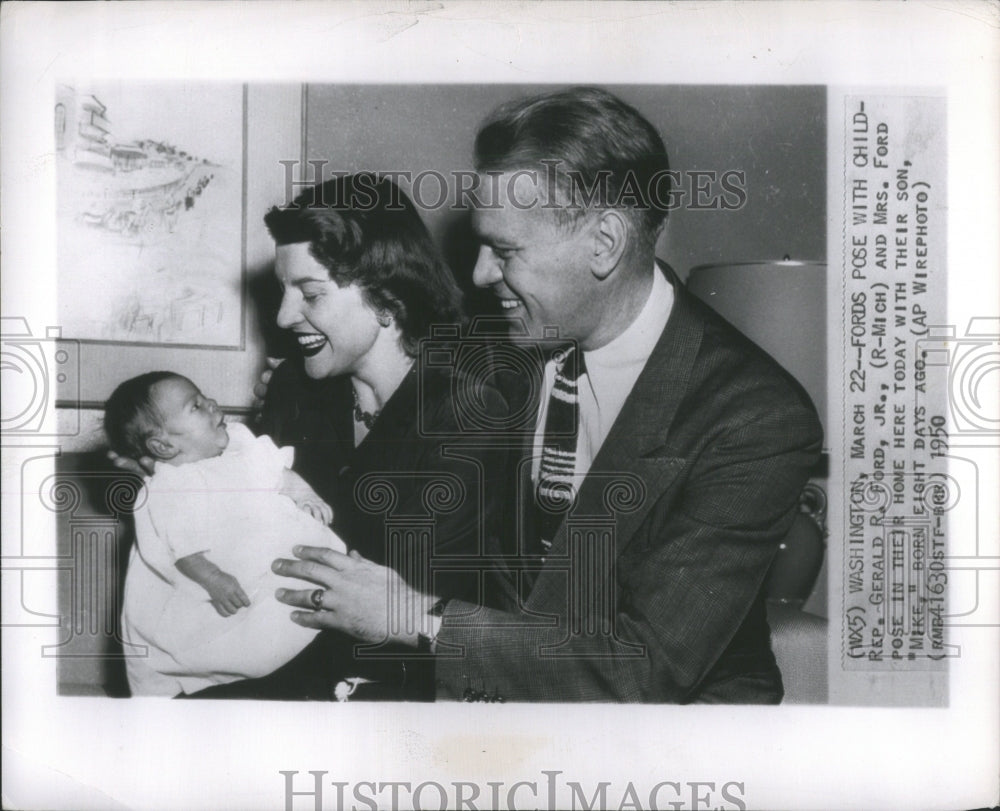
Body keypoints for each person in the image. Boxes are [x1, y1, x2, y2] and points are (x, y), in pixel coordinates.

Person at [271, 87, 824, 703]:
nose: (480, 274)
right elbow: (383, 384)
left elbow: (647, 669)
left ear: (604, 243)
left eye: (505, 251)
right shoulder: (504, 344)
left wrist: (413, 616)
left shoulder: (752, 417)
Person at [177, 173, 514, 700]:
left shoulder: (465, 415)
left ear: (388, 298)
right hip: (271, 666)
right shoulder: (293, 385)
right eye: (284, 291)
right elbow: (242, 530)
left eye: (310, 293)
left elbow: (416, 604)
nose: (285, 316)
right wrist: (181, 474)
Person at [108, 372, 344, 696]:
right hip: (219, 582)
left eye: (204, 396)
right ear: (163, 445)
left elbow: (279, 474)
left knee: (291, 602)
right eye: (196, 406)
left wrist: (307, 497)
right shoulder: (172, 485)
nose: (211, 404)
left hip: (268, 561)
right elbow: (183, 550)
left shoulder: (239, 449)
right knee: (230, 635)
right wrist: (213, 577)